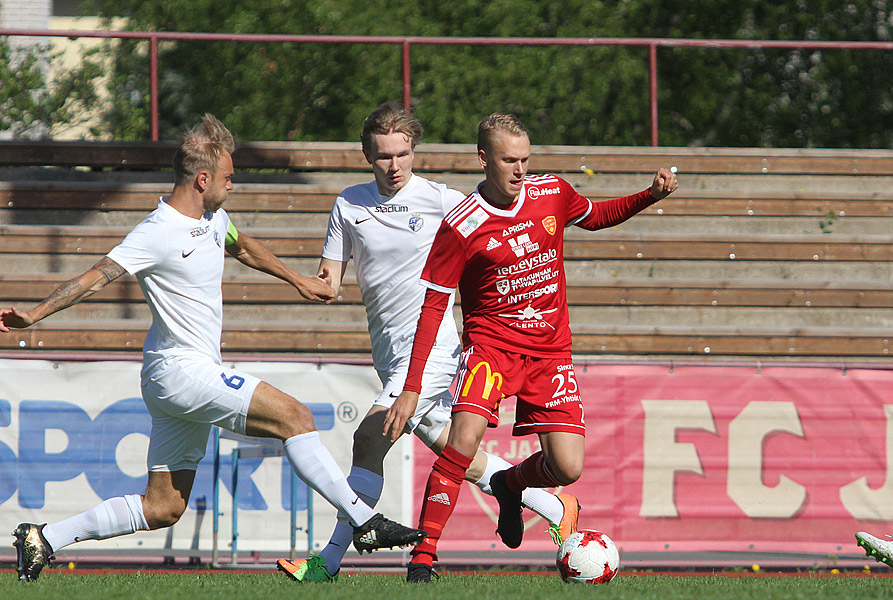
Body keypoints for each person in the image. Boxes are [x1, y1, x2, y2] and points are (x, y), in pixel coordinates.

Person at [0, 114, 425, 582]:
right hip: (180, 371)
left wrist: (299, 280)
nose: (232, 184)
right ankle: (364, 523)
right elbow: (96, 277)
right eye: (227, 177)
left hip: (176, 379)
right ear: (202, 179)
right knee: (297, 417)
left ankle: (44, 538)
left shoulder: (212, 217)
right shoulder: (157, 231)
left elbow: (242, 246)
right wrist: (35, 315)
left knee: (163, 507)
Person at [276, 103, 580, 584]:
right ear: (366, 155)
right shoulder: (348, 205)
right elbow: (329, 283)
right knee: (455, 452)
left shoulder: (441, 200)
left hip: (432, 351)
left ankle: (327, 562)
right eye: (382, 156)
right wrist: (287, 275)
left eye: (402, 154)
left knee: (367, 439)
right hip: (389, 353)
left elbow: (495, 230)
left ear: (414, 152)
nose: (393, 165)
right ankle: (550, 503)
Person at [384, 113, 678, 583]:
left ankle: (510, 482)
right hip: (491, 350)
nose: (520, 170)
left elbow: (596, 216)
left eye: (525, 159)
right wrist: (411, 387)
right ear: (484, 159)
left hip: (549, 352)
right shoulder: (461, 226)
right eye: (509, 160)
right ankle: (425, 556)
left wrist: (650, 195)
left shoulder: (552, 192)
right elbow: (433, 307)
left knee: (567, 468)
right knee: (463, 441)